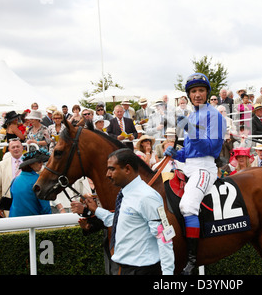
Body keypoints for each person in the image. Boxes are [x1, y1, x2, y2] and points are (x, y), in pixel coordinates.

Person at [163, 73, 226, 275]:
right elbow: (189, 152)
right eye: (193, 91)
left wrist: (192, 130)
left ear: (207, 93)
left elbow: (212, 148)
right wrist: (176, 153)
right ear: (189, 95)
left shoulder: (215, 115)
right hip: (188, 166)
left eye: (200, 90)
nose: (197, 94)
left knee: (188, 206)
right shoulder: (191, 115)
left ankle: (191, 261)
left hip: (204, 168)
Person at [84, 148, 175, 275]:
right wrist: (96, 210)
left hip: (142, 270)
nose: (107, 174)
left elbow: (165, 236)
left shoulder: (147, 197)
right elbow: (121, 222)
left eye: (112, 169)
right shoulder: (125, 193)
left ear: (127, 169)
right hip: (125, 269)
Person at [9, 149, 52, 217]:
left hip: (13, 220)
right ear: (31, 164)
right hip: (32, 222)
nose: (41, 164)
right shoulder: (39, 180)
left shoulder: (15, 180)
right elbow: (45, 207)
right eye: (39, 162)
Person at [0, 139, 24, 218]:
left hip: (27, 202)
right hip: (9, 204)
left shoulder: (31, 162)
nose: (16, 149)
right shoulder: (1, 165)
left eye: (18, 146)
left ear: (22, 148)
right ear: (9, 150)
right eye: (13, 147)